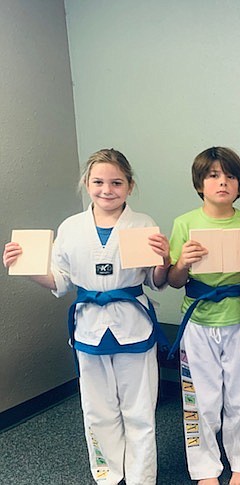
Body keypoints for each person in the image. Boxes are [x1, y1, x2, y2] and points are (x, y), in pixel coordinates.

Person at [3, 148, 171, 485]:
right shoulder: (71, 227)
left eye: (116, 182)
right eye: (98, 181)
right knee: (97, 409)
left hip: (132, 324)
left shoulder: (143, 223)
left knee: (138, 409)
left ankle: (141, 478)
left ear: (130, 186)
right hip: (89, 325)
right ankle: (108, 475)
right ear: (86, 183)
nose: (106, 189)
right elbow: (60, 280)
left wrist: (163, 259)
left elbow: (156, 281)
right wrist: (25, 267)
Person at [167, 146, 240, 485]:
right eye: (213, 175)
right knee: (201, 396)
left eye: (230, 176)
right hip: (198, 320)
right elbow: (173, 280)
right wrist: (183, 261)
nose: (222, 182)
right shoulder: (185, 224)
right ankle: (204, 470)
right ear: (200, 183)